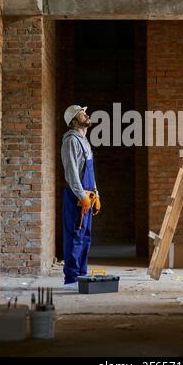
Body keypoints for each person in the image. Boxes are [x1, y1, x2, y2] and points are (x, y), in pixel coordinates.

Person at [61, 105, 101, 289]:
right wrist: (81, 195)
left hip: (87, 195)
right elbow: (71, 173)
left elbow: (88, 170)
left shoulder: (84, 141)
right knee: (75, 236)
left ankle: (81, 275)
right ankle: (71, 278)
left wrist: (96, 194)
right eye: (82, 114)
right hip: (76, 196)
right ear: (74, 121)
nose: (87, 115)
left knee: (85, 236)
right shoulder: (70, 140)